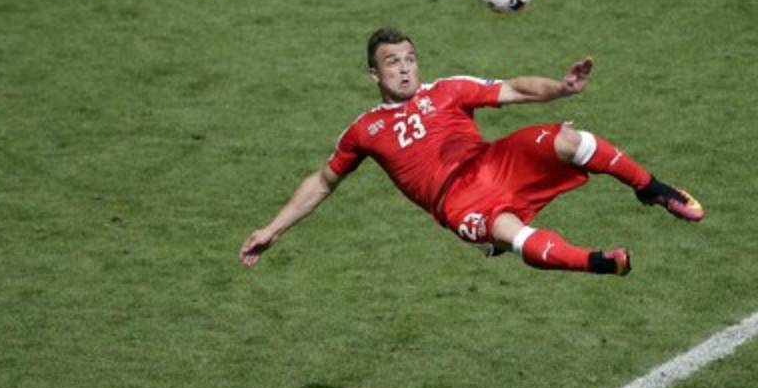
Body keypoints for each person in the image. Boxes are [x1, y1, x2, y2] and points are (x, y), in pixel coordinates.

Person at [239, 28, 703, 275]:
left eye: (409, 59)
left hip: (493, 162)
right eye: (392, 63)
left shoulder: (449, 89)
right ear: (373, 75)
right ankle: (599, 262)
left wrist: (562, 88)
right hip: (456, 200)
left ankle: (652, 189)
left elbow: (515, 90)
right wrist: (272, 229)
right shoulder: (365, 129)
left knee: (571, 140)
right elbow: (323, 182)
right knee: (509, 233)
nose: (405, 69)